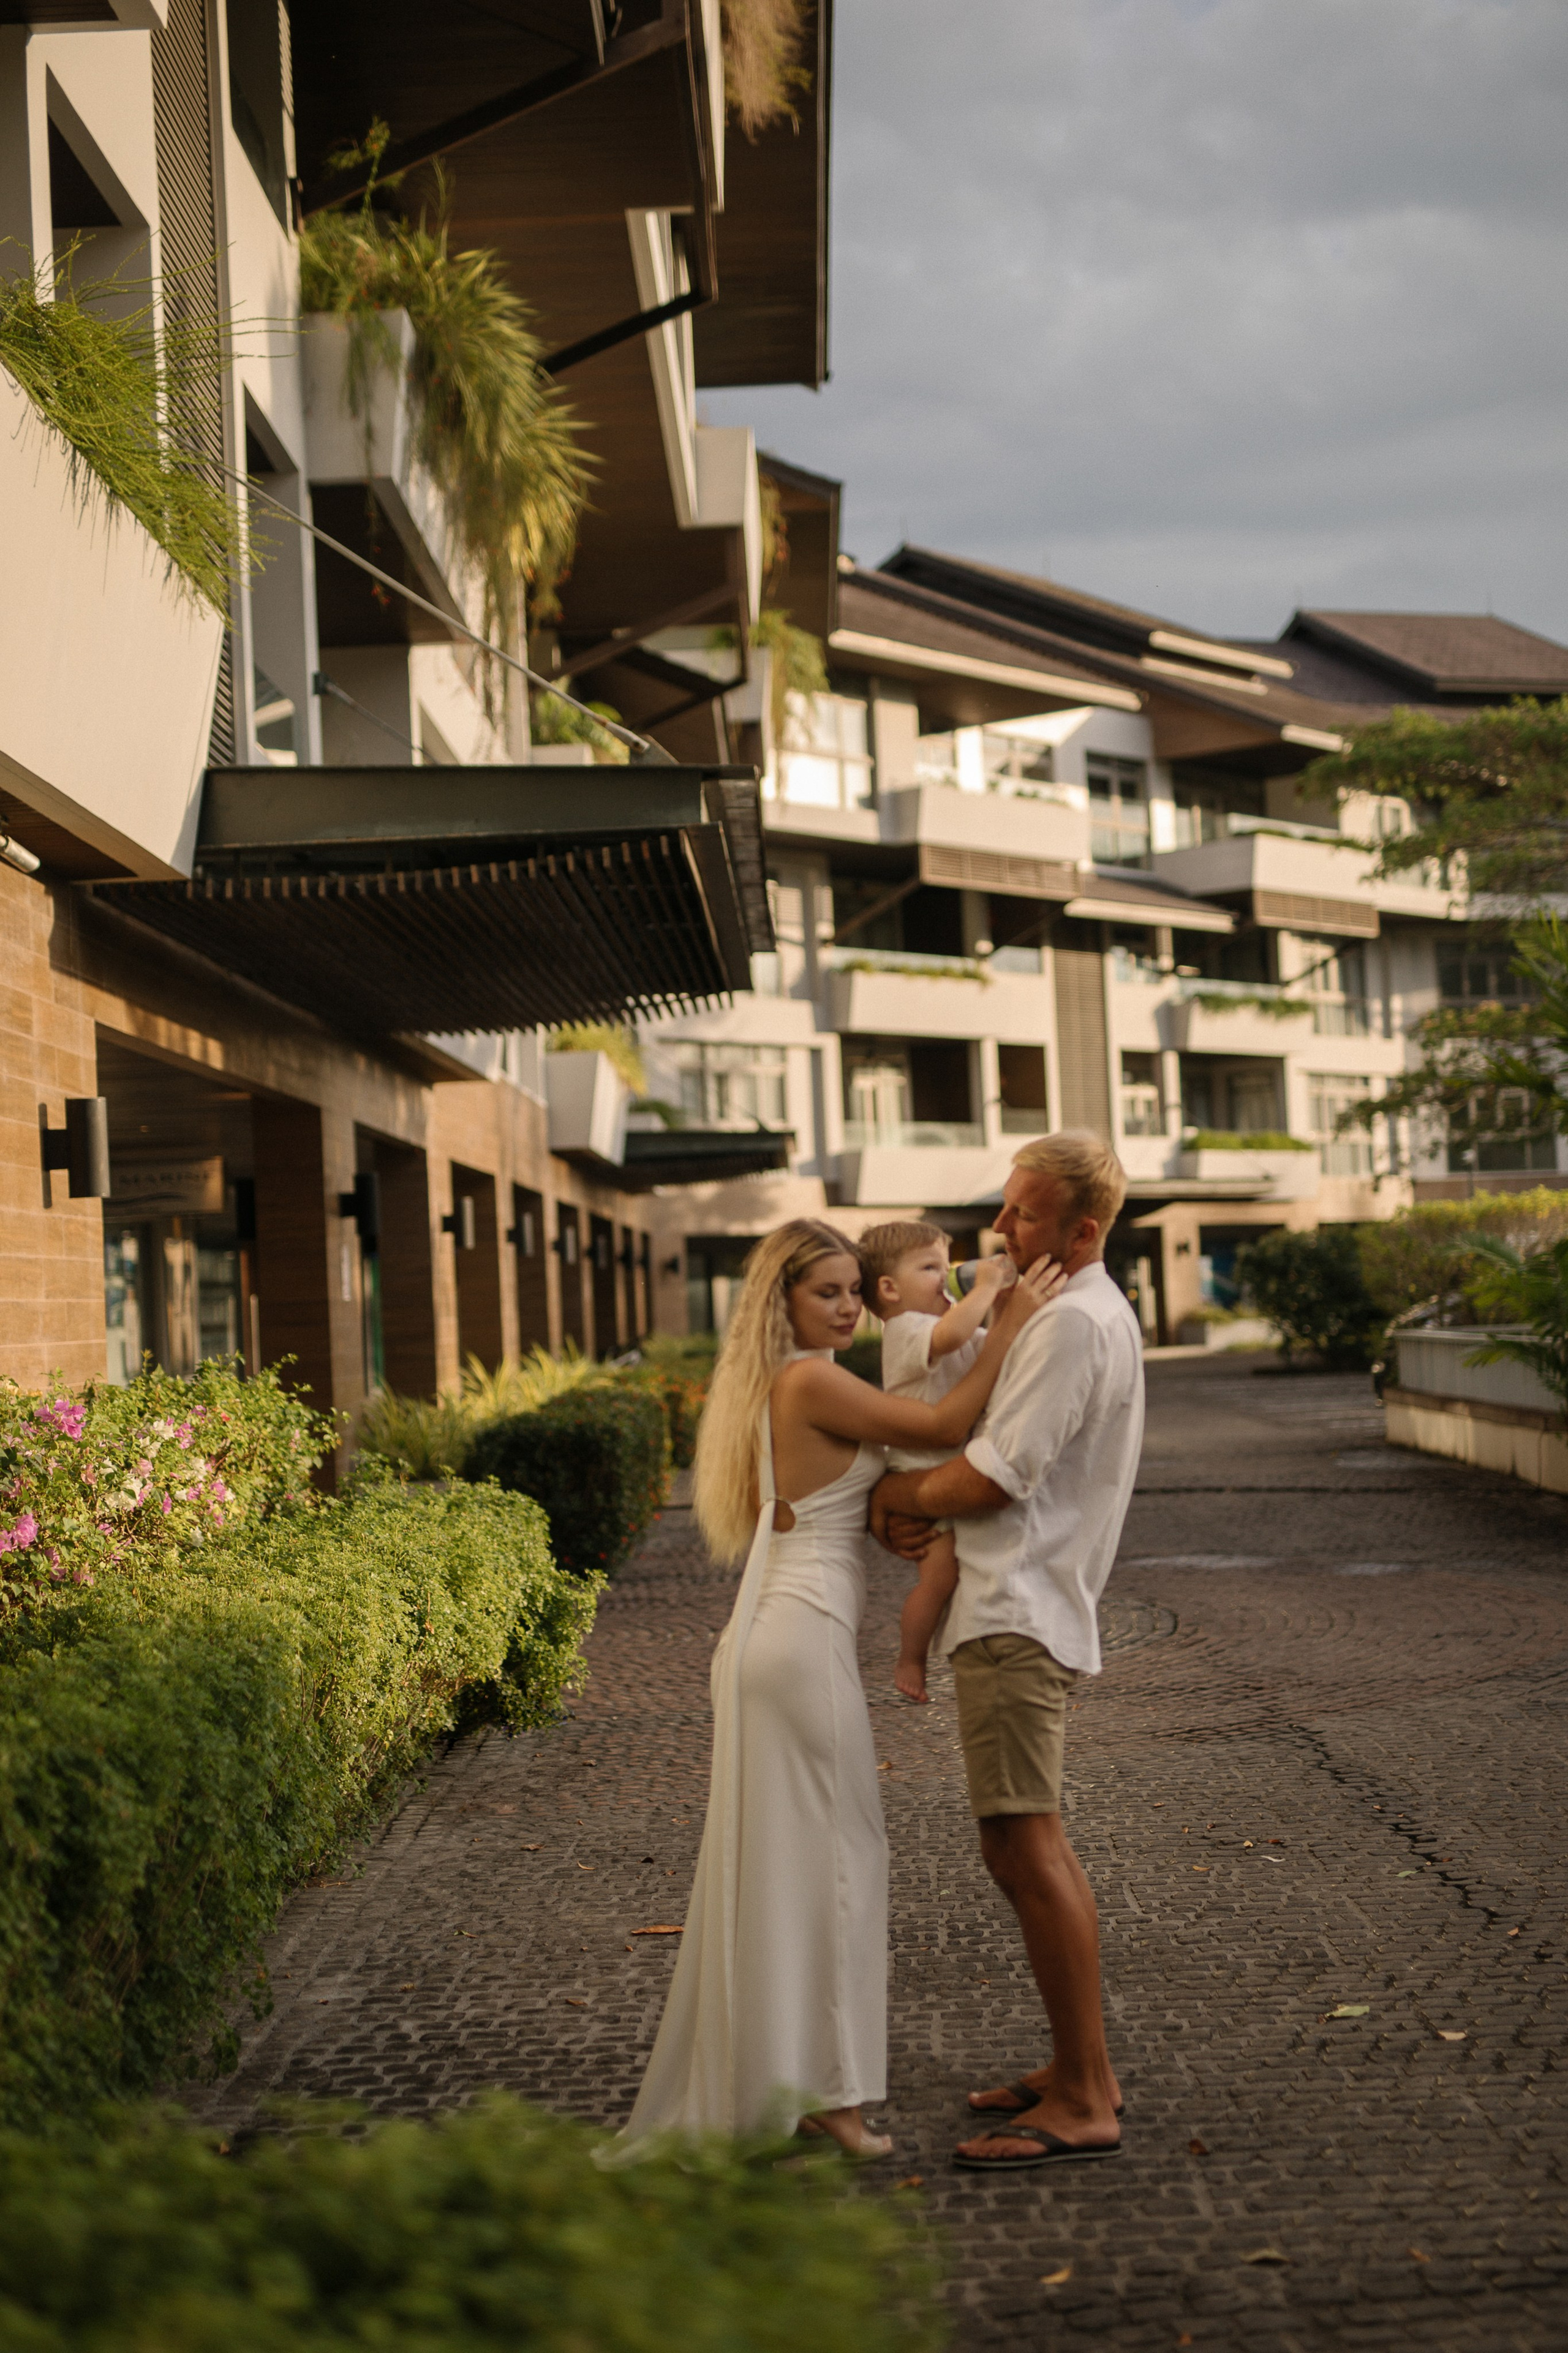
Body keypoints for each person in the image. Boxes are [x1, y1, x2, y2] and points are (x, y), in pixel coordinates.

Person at [622, 1217, 1062, 2159]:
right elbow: (944, 1427)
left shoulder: (798, 1384)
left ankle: (810, 2083)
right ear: (782, 1303)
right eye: (827, 1292)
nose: (850, 1305)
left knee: (794, 1865)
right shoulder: (810, 1377)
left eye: (854, 1289)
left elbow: (843, 1492)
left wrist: (885, 1515)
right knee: (839, 1861)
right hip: (799, 1640)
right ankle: (835, 2098)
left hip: (777, 1630)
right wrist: (1015, 1324)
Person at [870, 1131, 1144, 2174]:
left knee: (1024, 1847)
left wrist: (890, 1498)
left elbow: (992, 1475)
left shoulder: (1075, 1323)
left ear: (1082, 1231)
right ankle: (1082, 2068)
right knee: (1025, 1844)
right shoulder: (1078, 1312)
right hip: (1015, 1604)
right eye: (1003, 1207)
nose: (998, 1229)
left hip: (1016, 1611)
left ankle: (1084, 2094)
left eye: (1023, 1215)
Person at [856, 1220, 1016, 1704]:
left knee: (958, 1575)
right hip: (915, 1469)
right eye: (930, 1268)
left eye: (945, 1266)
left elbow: (992, 1346)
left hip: (944, 1466)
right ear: (889, 1288)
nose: (944, 1278)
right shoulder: (905, 1329)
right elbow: (953, 1336)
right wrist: (985, 1286)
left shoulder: (944, 1322)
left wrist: (1008, 1301)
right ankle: (910, 1656)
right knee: (940, 1577)